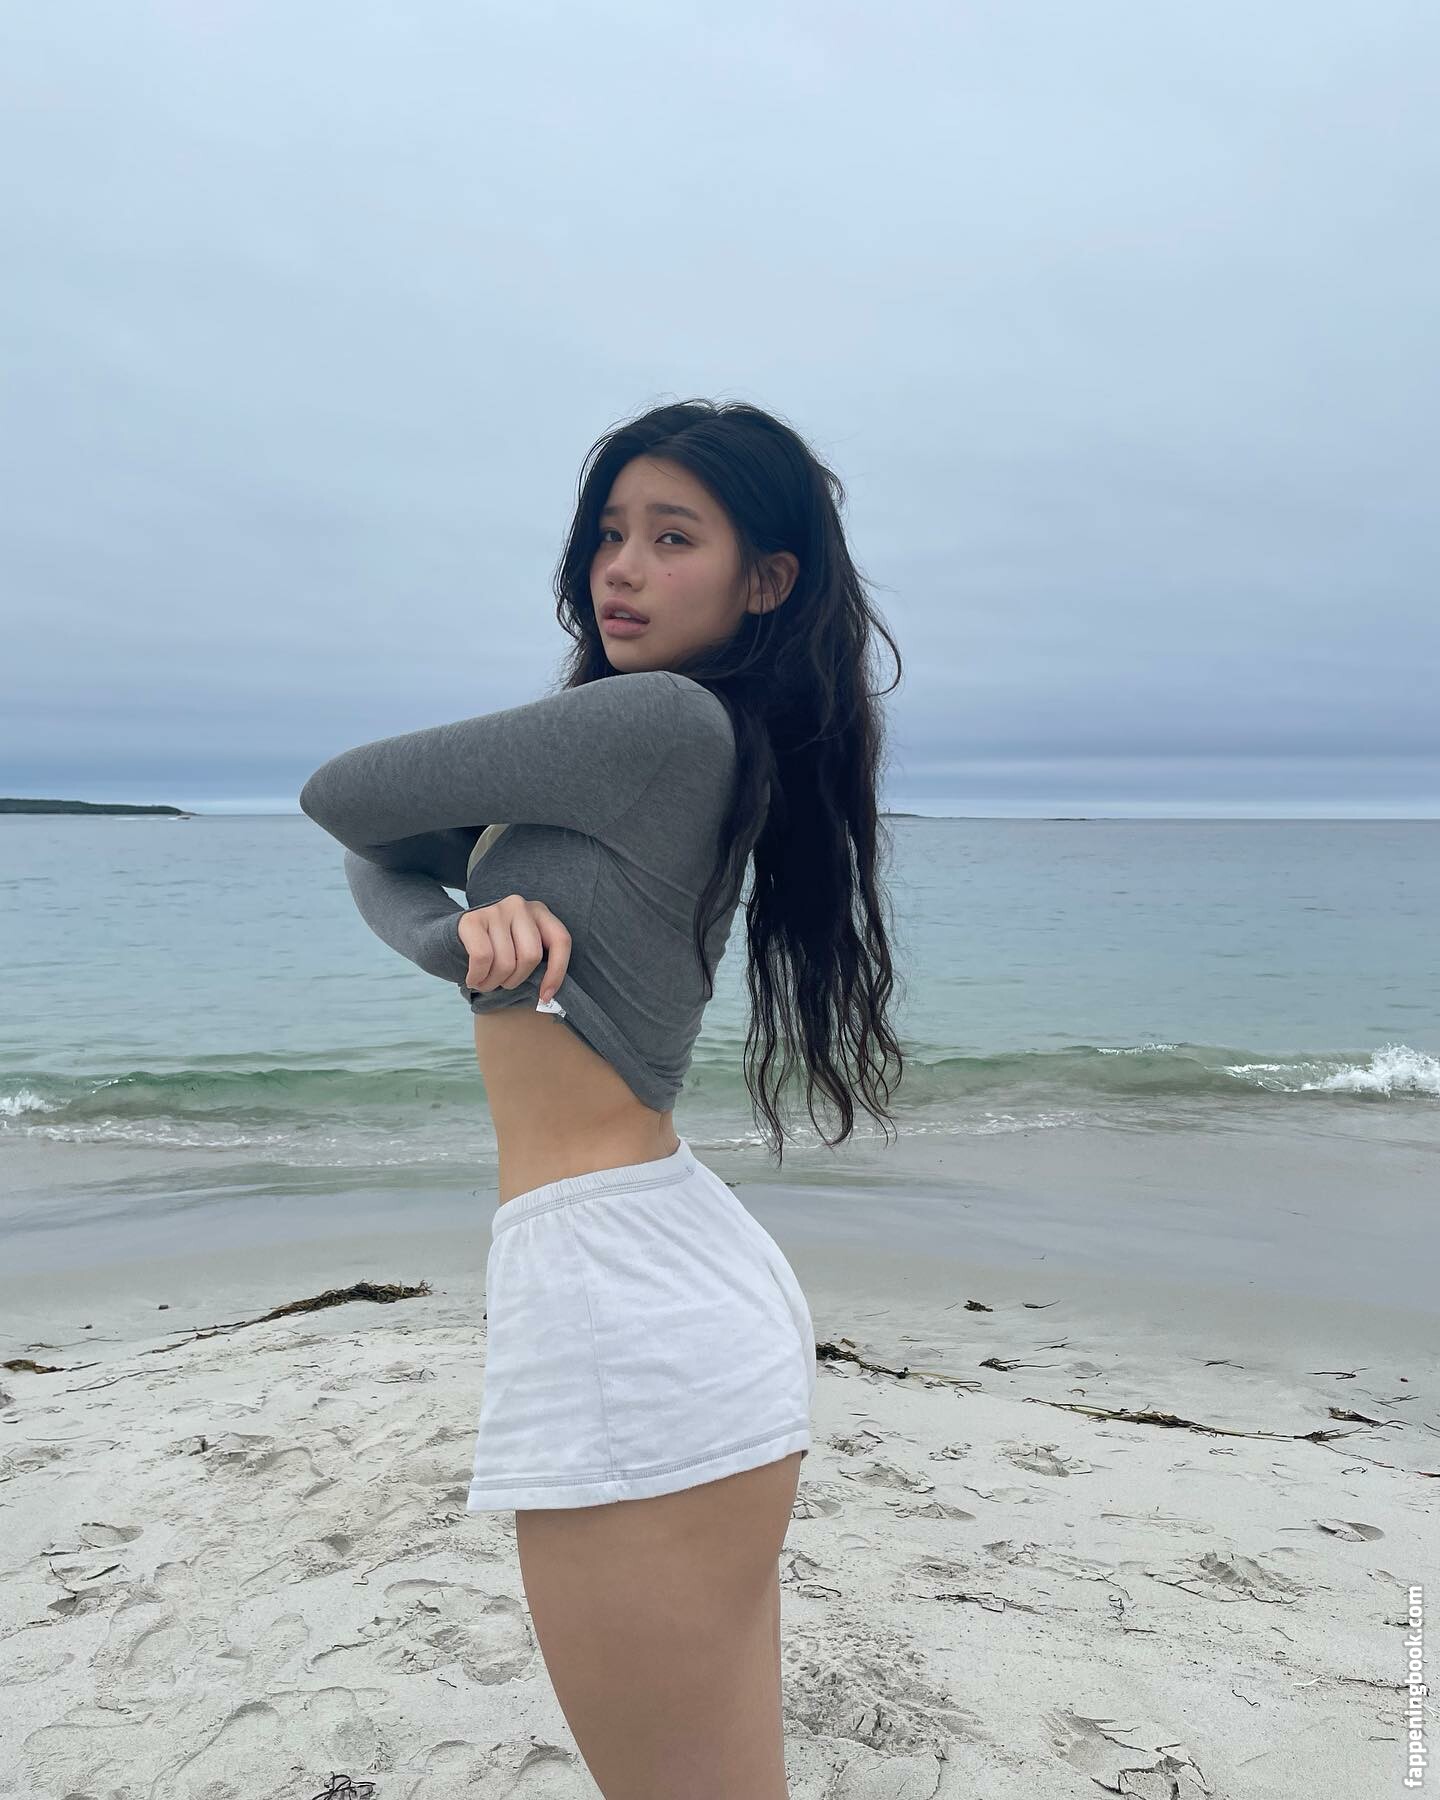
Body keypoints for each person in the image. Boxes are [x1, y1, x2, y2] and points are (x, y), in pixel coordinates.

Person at [299, 397, 905, 1797]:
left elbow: (338, 793)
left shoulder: (660, 723)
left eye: (672, 538)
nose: (619, 570)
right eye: (609, 535)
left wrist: (450, 921)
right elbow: (375, 849)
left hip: (621, 1297)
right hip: (648, 1259)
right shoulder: (659, 749)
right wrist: (452, 935)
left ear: (767, 582)